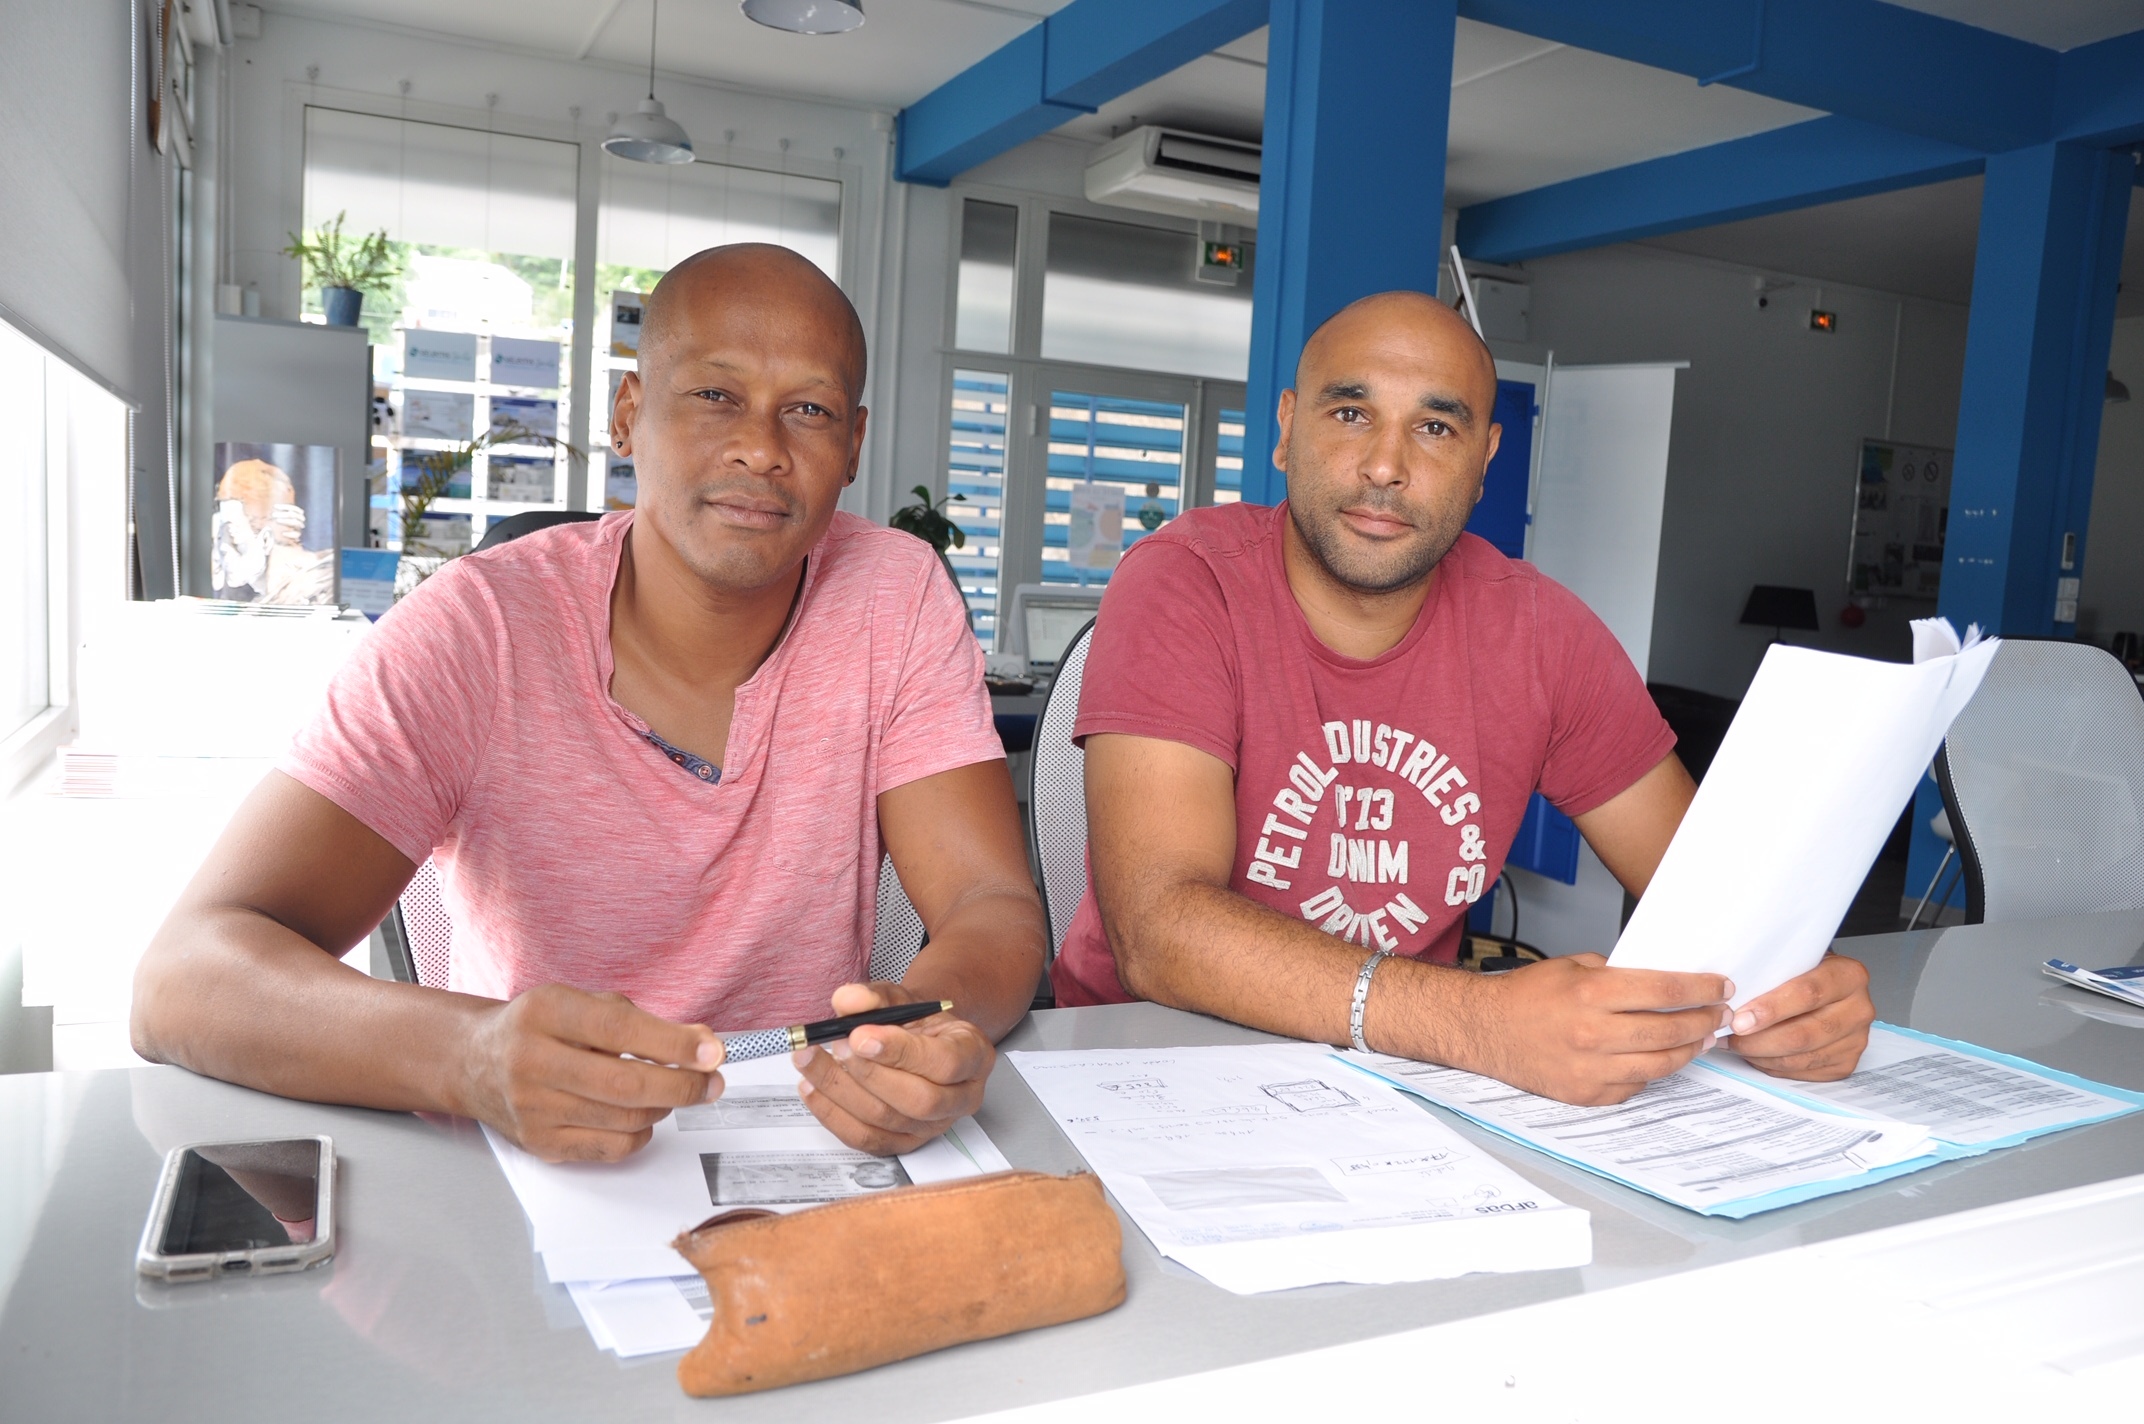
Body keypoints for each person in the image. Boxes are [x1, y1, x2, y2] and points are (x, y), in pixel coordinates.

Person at [133, 244, 1047, 1160]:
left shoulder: (895, 594)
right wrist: (470, 1057)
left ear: (851, 446)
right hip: (527, 1170)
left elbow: (992, 902)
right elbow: (183, 979)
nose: (761, 449)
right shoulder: (479, 627)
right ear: (628, 413)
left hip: (803, 1152)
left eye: (807, 410)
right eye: (715, 395)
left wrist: (929, 1029)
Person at [1056, 290, 1874, 1106]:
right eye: (1350, 414)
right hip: (1145, 1064)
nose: (1385, 467)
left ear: (1485, 461)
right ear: (1285, 427)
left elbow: (1718, 903)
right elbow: (1157, 931)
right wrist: (1477, 1023)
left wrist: (1797, 996)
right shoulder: (1184, 581)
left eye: (1435, 428)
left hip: (1399, 1082)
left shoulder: (1542, 629)